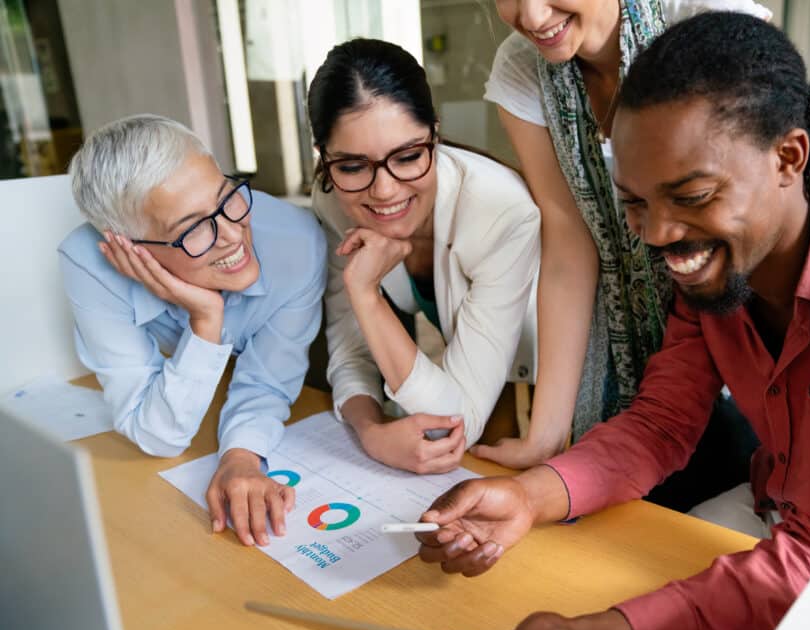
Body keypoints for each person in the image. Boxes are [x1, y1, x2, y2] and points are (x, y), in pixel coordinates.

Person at [399, 12, 810, 630]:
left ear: (788, 158)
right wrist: (527, 496)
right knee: (555, 598)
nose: (662, 235)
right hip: (777, 518)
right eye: (636, 204)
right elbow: (660, 424)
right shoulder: (715, 272)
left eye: (691, 196)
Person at [475, 0, 770, 499]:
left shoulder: (704, 18)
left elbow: (758, 214)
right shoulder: (522, 67)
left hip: (733, 328)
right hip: (618, 349)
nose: (531, 15)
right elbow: (569, 242)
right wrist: (546, 434)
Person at [60, 114, 327, 548]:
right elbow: (156, 435)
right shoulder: (90, 263)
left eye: (227, 198)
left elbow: (267, 381)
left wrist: (241, 457)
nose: (232, 236)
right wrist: (206, 319)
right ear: (130, 248)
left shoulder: (297, 242)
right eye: (191, 229)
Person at [308, 39, 541, 474]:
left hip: (552, 373)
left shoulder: (501, 213)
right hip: (475, 363)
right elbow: (351, 352)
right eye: (353, 166)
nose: (385, 191)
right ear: (325, 158)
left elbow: (456, 423)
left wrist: (367, 295)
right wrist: (372, 431)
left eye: (409, 156)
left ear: (434, 134)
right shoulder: (333, 203)